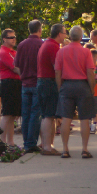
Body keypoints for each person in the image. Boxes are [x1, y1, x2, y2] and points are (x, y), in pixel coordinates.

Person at [53, 26, 97, 158]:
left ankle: (65, 149)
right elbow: (90, 72)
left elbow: (57, 71)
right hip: (82, 85)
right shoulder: (86, 52)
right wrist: (91, 87)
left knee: (66, 118)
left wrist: (59, 87)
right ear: (81, 37)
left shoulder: (61, 51)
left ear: (69, 36)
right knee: (84, 119)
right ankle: (84, 149)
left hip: (66, 85)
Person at [15, 20, 49, 154]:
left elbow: (16, 65)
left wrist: (23, 74)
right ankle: (30, 142)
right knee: (35, 114)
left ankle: (26, 142)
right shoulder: (41, 44)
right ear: (39, 30)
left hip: (25, 83)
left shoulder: (22, 45)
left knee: (26, 114)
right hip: (37, 82)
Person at [36, 24, 66, 156]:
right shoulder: (53, 46)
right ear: (59, 34)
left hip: (42, 82)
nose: (65, 36)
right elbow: (57, 68)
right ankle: (48, 147)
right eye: (64, 33)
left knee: (46, 116)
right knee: (49, 115)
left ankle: (45, 144)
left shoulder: (46, 44)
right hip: (49, 83)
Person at [0, 31, 20, 140]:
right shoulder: (4, 52)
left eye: (14, 37)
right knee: (7, 113)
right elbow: (15, 68)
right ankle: (2, 140)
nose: (14, 39)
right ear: (4, 39)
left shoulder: (12, 51)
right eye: (11, 37)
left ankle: (10, 142)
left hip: (14, 83)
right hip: (8, 83)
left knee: (12, 115)